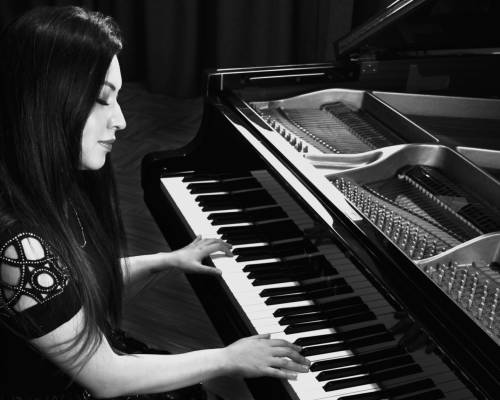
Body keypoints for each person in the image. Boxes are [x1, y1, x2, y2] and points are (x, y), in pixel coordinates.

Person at [0, 6, 311, 399]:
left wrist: (165, 260)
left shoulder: (54, 184)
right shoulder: (17, 244)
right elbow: (106, 378)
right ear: (43, 101)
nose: (122, 120)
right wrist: (229, 358)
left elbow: (70, 287)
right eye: (101, 99)